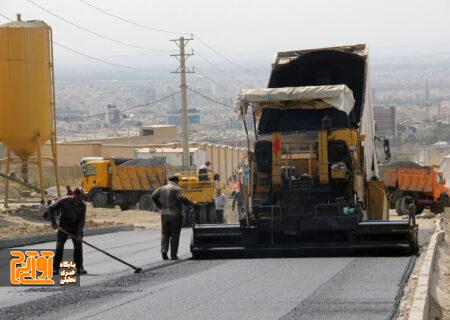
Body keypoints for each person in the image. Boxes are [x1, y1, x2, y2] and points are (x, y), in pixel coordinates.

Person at [152, 176, 192, 260]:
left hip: (164, 214)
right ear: (176, 181)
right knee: (175, 235)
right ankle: (173, 255)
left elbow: (153, 196)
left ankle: (164, 251)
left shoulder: (161, 188)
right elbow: (180, 198)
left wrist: (160, 206)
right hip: (175, 215)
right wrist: (190, 202)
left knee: (165, 233)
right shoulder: (176, 188)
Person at [49, 188, 87, 275]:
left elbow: (82, 220)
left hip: (75, 227)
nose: (83, 198)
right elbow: (51, 208)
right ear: (76, 195)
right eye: (81, 196)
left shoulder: (83, 205)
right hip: (63, 227)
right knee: (60, 247)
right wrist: (53, 222)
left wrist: (79, 233)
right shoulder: (63, 201)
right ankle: (55, 268)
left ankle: (79, 267)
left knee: (78, 247)